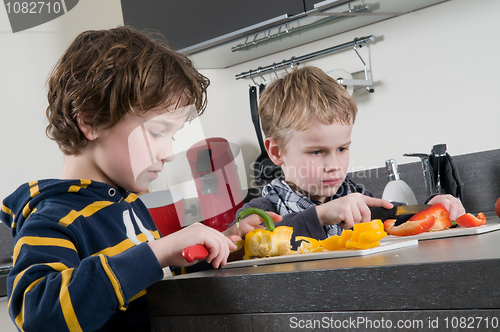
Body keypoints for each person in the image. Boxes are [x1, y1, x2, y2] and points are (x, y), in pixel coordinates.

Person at [0, 26, 278, 332]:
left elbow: (158, 282)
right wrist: (158, 252)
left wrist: (223, 242)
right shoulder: (52, 220)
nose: (168, 153)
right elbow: (41, 315)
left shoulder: (128, 205)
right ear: (91, 120)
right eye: (157, 132)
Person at [228, 66, 465, 249]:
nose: (333, 166)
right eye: (317, 152)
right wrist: (321, 215)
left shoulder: (356, 198)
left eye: (342, 149)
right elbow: (254, 240)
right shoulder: (262, 210)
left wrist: (432, 208)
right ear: (277, 152)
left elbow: (400, 219)